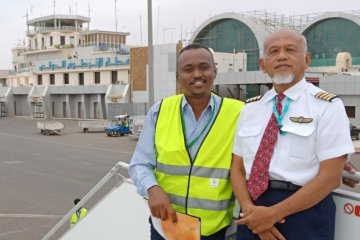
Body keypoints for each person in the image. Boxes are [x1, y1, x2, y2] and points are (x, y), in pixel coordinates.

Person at [230, 29, 355, 240]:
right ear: (263, 65)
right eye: (273, 51)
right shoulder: (250, 109)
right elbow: (237, 168)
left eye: (290, 50)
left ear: (306, 60)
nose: (281, 56)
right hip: (252, 210)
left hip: (305, 211)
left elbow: (330, 178)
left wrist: (272, 214)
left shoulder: (327, 106)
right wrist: (249, 209)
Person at [129, 43, 244, 240]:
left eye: (204, 67)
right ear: (178, 77)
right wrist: (152, 189)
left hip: (214, 230)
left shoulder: (239, 112)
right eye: (188, 69)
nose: (197, 74)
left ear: (215, 72)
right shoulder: (160, 111)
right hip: (166, 226)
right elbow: (140, 163)